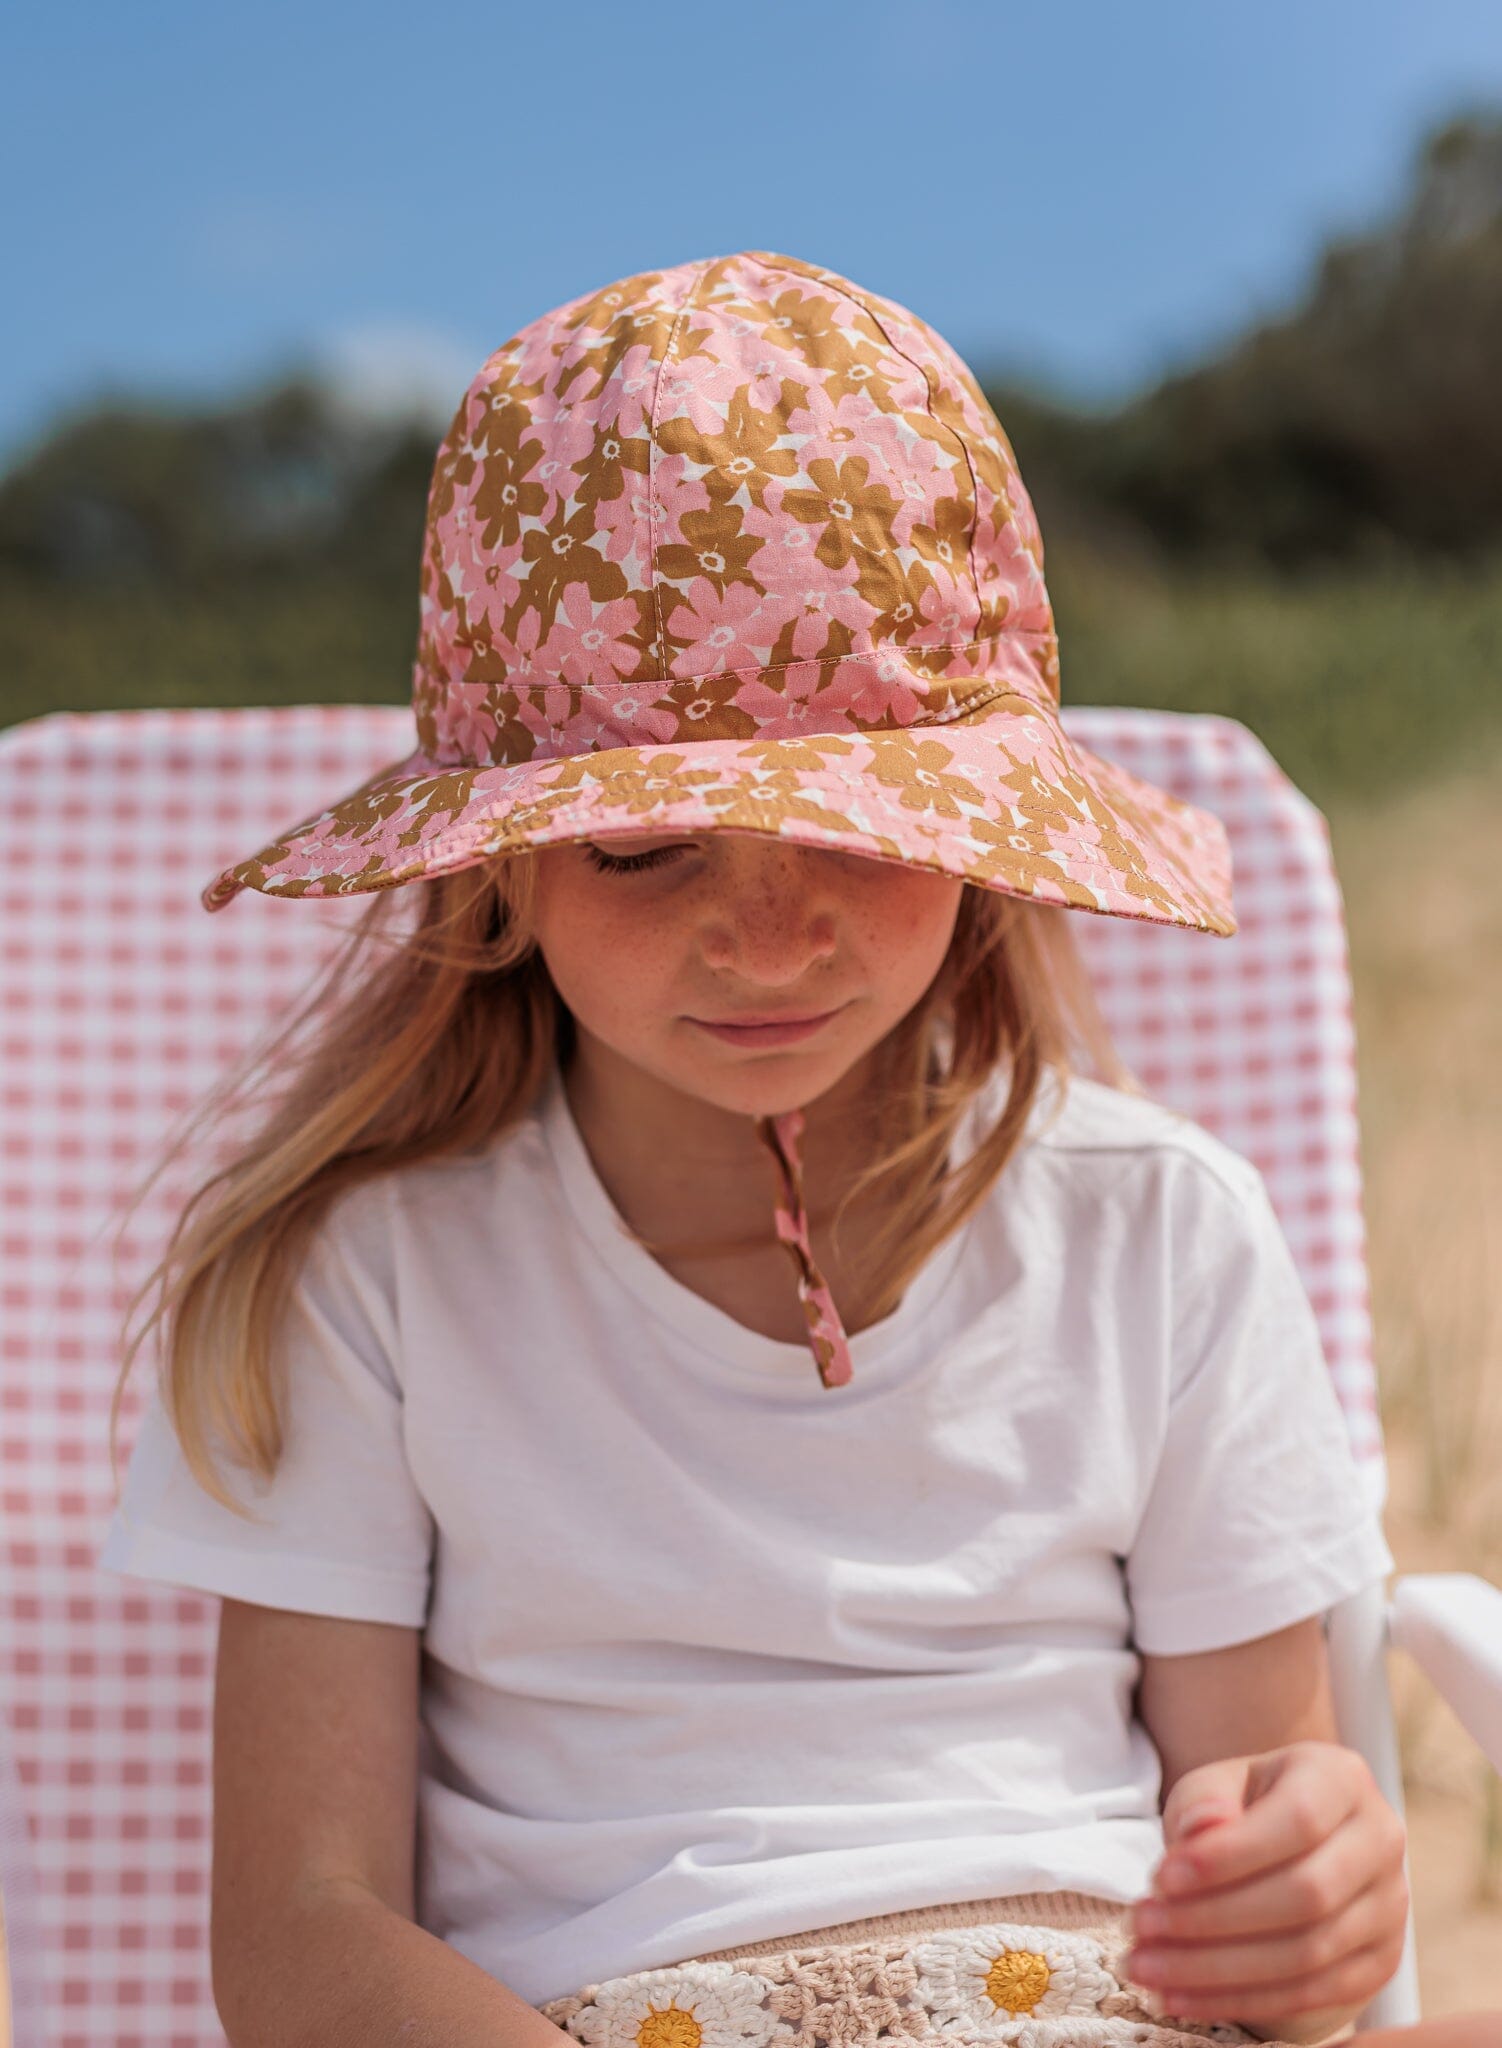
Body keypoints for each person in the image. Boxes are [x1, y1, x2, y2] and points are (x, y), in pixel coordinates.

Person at [96, 251, 1488, 2048]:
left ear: (980, 839)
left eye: (858, 831)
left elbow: (1278, 1801)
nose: (765, 939)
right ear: (497, 869)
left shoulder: (1161, 1234)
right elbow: (303, 1928)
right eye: (643, 848)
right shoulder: (372, 1280)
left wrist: (1317, 1878)